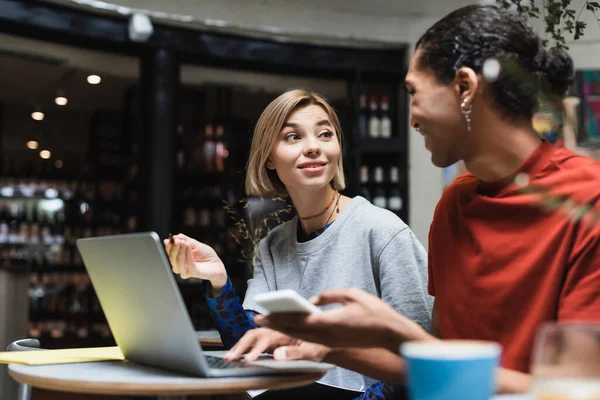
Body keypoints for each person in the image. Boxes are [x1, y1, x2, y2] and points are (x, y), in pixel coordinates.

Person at [255, 4, 600, 398]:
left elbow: (576, 392)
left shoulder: (588, 201)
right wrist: (329, 346)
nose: (412, 117)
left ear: (465, 88)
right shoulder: (454, 204)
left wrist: (399, 332)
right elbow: (437, 360)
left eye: (414, 93)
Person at [165, 89, 433, 398]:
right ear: (268, 158)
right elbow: (251, 348)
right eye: (293, 137)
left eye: (324, 134)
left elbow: (421, 358)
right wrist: (218, 281)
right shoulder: (272, 244)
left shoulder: (382, 230)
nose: (314, 147)